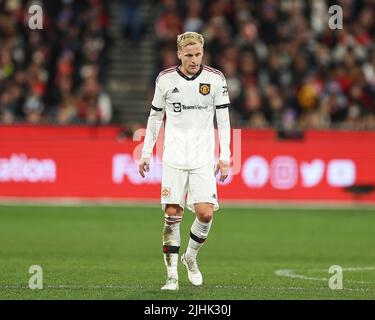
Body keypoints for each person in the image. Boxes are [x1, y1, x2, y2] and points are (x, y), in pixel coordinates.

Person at [139, 31, 231, 290]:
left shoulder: (214, 79)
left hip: (202, 158)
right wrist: (146, 152)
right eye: (188, 55)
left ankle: (190, 256)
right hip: (174, 158)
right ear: (179, 54)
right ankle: (171, 277)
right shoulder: (166, 80)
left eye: (198, 54)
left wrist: (225, 156)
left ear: (203, 53)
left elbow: (223, 121)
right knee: (172, 214)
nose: (194, 60)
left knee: (205, 214)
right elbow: (155, 117)